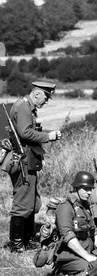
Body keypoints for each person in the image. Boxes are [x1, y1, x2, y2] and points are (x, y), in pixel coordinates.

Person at [3, 81, 62, 253]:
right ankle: (17, 243)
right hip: (22, 161)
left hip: (28, 158)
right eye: (46, 97)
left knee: (32, 202)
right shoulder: (24, 107)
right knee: (23, 202)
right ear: (37, 94)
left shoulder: (26, 106)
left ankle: (27, 239)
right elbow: (25, 133)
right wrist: (48, 136)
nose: (46, 101)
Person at [53, 170, 97, 276]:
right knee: (95, 267)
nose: (89, 192)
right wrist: (87, 256)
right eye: (85, 189)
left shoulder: (85, 206)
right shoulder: (65, 207)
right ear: (76, 187)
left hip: (87, 251)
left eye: (91, 189)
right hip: (69, 255)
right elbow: (68, 237)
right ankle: (65, 275)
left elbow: (94, 233)